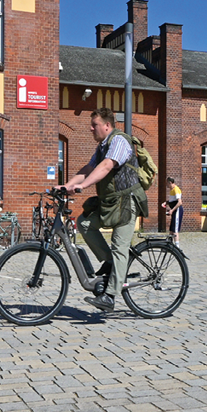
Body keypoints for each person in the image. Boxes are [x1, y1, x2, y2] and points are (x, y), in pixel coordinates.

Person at [64, 109, 140, 312]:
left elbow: (106, 166)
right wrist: (66, 186)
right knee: (84, 223)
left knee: (119, 247)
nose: (91, 128)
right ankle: (108, 263)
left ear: (107, 125)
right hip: (110, 203)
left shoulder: (119, 142)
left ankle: (110, 297)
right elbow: (89, 169)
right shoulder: (101, 147)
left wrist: (84, 186)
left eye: (94, 124)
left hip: (126, 203)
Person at [164, 177, 184, 244]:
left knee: (175, 230)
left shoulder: (176, 190)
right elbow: (172, 201)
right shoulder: (171, 190)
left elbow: (179, 202)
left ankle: (177, 247)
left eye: (167, 183)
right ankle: (169, 244)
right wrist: (166, 203)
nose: (166, 185)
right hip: (174, 211)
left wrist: (172, 210)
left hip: (177, 211)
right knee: (171, 229)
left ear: (170, 183)